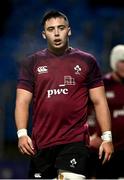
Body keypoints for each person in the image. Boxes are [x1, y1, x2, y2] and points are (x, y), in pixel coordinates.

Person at [14, 10, 114, 179]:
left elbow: (99, 101)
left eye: (61, 28)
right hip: (42, 143)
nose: (57, 33)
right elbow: (22, 102)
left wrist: (107, 137)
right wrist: (22, 134)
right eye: (51, 29)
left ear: (69, 30)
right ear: (44, 34)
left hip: (75, 141)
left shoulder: (87, 61)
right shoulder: (31, 63)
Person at [89, 44, 124, 179]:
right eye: (122, 61)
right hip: (107, 149)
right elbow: (79, 110)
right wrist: (89, 135)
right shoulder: (102, 85)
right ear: (114, 63)